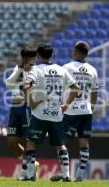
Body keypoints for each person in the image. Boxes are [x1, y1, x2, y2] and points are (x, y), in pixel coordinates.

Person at [23, 44, 79, 182]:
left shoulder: (36, 69)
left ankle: (30, 175)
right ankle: (66, 174)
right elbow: (76, 88)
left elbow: (26, 86)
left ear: (38, 56)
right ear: (52, 55)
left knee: (31, 142)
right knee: (60, 144)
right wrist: (66, 105)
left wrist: (31, 102)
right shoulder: (61, 70)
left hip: (40, 113)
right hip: (57, 113)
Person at [51, 41, 98, 182]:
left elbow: (59, 87)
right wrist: (92, 107)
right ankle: (79, 175)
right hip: (86, 111)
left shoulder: (67, 67)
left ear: (76, 51)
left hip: (70, 111)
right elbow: (95, 92)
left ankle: (65, 173)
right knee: (84, 143)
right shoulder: (92, 70)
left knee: (59, 141)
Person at [5, 46, 37, 180]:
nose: (25, 59)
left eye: (28, 57)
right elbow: (8, 83)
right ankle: (31, 164)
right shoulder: (18, 68)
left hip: (27, 107)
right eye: (23, 57)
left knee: (26, 140)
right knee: (12, 142)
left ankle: (27, 171)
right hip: (15, 108)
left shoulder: (36, 71)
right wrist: (19, 69)